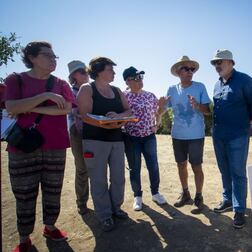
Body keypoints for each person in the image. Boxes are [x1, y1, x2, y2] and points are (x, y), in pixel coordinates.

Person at [4, 41, 75, 252]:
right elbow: (11, 107)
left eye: (55, 56)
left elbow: (65, 109)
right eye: (47, 55)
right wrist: (45, 98)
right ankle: (24, 239)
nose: (53, 59)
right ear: (32, 57)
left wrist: (30, 107)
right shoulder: (15, 79)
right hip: (22, 146)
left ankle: (49, 226)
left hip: (55, 144)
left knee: (53, 189)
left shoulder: (60, 83)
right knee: (24, 193)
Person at [77, 57, 132, 232]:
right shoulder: (87, 89)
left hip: (116, 140)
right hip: (94, 141)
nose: (114, 72)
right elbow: (84, 115)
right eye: (110, 69)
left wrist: (118, 117)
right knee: (98, 179)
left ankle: (116, 208)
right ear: (99, 71)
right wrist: (105, 123)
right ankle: (105, 215)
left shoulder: (117, 91)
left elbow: (129, 110)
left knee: (118, 178)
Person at [210, 49, 252, 228]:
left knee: (238, 173)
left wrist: (246, 120)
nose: (217, 66)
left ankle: (239, 210)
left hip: (238, 135)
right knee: (224, 170)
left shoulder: (245, 80)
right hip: (218, 135)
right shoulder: (217, 84)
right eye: (215, 63)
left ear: (231, 62)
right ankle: (228, 200)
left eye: (220, 62)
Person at [159, 56, 211, 213]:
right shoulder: (172, 89)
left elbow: (208, 111)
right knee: (181, 165)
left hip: (196, 135)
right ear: (178, 71)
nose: (190, 72)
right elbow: (162, 111)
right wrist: (160, 107)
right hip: (178, 135)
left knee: (196, 166)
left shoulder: (200, 87)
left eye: (192, 69)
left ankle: (199, 197)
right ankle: (186, 193)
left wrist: (197, 105)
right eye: (186, 69)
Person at [122, 66, 167, 211]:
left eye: (141, 77)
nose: (140, 81)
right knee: (134, 168)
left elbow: (158, 114)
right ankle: (138, 197)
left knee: (153, 166)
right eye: (136, 78)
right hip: (131, 137)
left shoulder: (150, 95)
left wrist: (158, 121)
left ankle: (155, 193)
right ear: (127, 81)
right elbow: (120, 115)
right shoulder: (123, 97)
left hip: (149, 136)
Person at [67, 60, 90, 215]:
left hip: (94, 132)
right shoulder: (67, 92)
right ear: (73, 76)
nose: (86, 74)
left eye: (86, 71)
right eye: (82, 72)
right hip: (77, 134)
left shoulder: (92, 90)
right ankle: (81, 202)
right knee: (82, 169)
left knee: (97, 168)